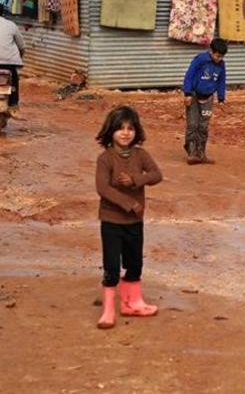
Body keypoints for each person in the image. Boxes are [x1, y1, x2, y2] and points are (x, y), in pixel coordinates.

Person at [94, 105, 163, 330]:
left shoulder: (140, 155)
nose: (126, 133)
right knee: (111, 267)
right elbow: (102, 188)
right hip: (112, 221)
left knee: (135, 263)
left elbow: (156, 175)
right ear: (110, 132)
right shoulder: (105, 159)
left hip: (135, 221)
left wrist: (135, 180)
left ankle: (132, 302)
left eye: (130, 128)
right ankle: (108, 310)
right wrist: (129, 203)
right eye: (120, 129)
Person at [182, 38, 228, 165]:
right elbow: (189, 75)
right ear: (211, 51)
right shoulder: (200, 60)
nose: (219, 59)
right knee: (192, 125)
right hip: (194, 96)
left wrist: (221, 98)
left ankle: (201, 153)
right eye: (217, 55)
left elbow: (221, 81)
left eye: (221, 57)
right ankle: (191, 152)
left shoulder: (221, 65)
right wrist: (187, 93)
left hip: (208, 98)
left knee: (203, 127)